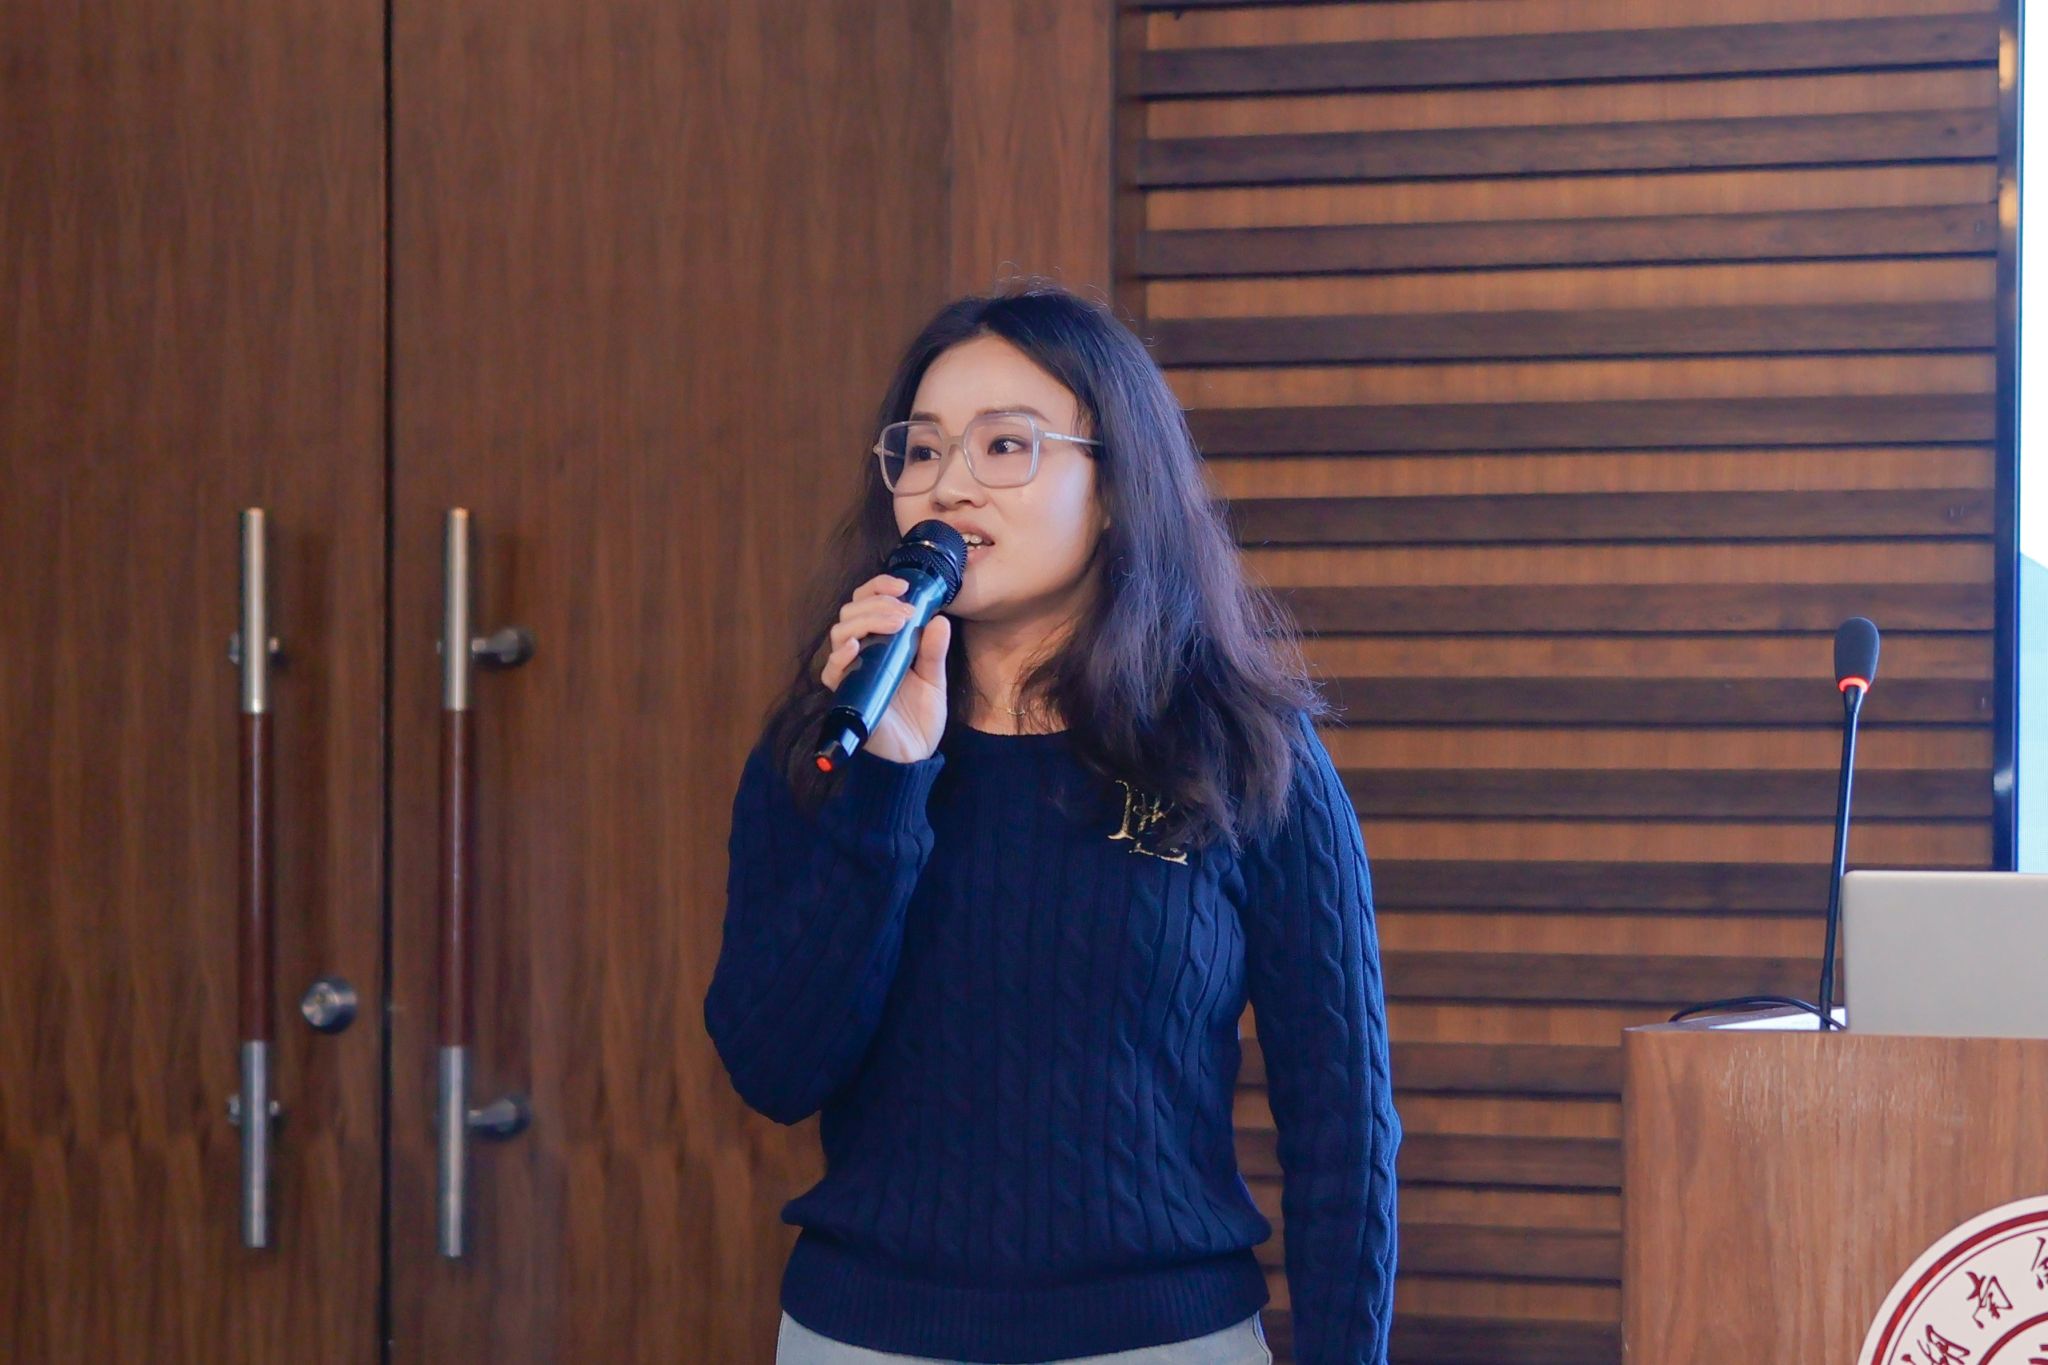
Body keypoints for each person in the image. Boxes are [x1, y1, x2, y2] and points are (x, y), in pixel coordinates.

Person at [703, 282, 1399, 1365]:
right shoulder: (832, 740)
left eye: (1004, 446)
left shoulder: (1239, 747)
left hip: (1162, 1339)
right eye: (921, 450)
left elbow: (1340, 1122)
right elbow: (774, 1071)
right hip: (865, 1337)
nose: (950, 485)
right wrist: (888, 788)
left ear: (1114, 488)